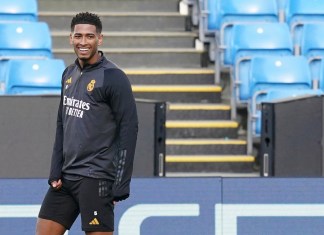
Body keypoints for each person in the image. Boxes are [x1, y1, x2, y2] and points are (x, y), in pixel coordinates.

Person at [36, 12, 138, 235]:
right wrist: (55, 171)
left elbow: (129, 130)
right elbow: (62, 123)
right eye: (78, 36)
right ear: (70, 38)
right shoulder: (68, 74)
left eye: (89, 37)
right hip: (66, 179)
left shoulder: (113, 77)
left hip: (96, 178)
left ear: (99, 39)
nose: (83, 42)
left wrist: (121, 183)